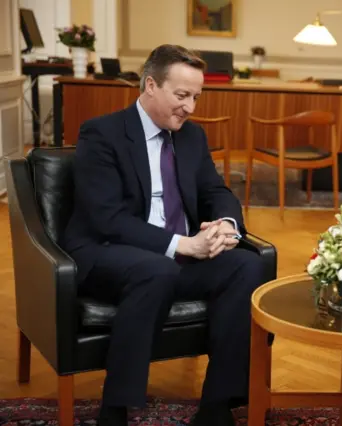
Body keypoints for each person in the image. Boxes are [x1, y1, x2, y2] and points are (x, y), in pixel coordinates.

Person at [60, 44, 264, 426]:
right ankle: (115, 408)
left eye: (196, 97)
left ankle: (218, 406)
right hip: (108, 252)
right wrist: (182, 244)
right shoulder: (102, 133)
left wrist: (225, 225)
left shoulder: (192, 137)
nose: (190, 107)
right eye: (182, 95)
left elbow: (215, 192)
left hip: (173, 259)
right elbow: (107, 218)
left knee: (247, 266)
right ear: (151, 85)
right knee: (157, 270)